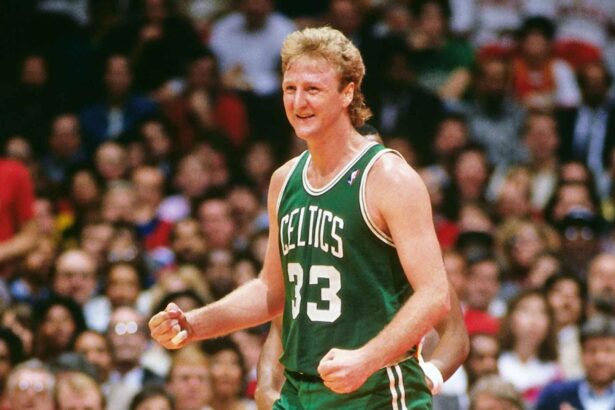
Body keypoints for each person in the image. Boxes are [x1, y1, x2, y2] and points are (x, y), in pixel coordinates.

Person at [150, 26, 452, 408]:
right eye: (289, 89)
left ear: (347, 93)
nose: (298, 102)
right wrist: (194, 324)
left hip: (375, 390)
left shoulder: (388, 177)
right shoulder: (284, 179)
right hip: (300, 389)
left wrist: (366, 359)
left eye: (313, 89)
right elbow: (271, 291)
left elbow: (435, 295)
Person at [535, 315, 615, 410]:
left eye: (608, 351)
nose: (599, 359)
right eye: (592, 350)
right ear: (581, 353)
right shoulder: (555, 396)